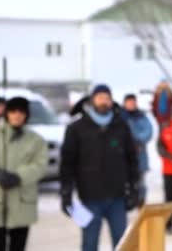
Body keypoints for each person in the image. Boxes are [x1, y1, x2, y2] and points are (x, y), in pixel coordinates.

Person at [60, 84, 140, 251]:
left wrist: (134, 188)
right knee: (89, 243)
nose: (104, 101)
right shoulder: (77, 128)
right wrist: (66, 192)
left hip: (117, 198)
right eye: (100, 97)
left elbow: (132, 160)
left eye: (107, 98)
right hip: (89, 197)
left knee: (122, 243)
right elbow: (67, 163)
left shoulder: (121, 126)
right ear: (92, 100)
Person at [0, 97, 48, 251]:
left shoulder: (36, 140)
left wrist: (19, 176)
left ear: (26, 115)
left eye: (21, 112)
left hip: (22, 201)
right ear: (7, 113)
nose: (17, 115)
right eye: (13, 111)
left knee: (18, 246)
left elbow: (40, 165)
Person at [121, 94, 154, 207]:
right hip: (123, 158)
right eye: (129, 102)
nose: (131, 104)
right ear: (124, 103)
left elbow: (148, 132)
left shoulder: (142, 116)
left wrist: (138, 140)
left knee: (140, 183)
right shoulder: (119, 117)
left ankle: (141, 205)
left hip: (140, 156)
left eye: (133, 102)